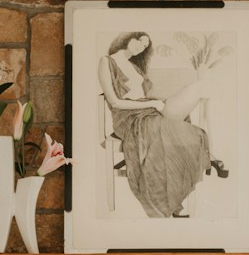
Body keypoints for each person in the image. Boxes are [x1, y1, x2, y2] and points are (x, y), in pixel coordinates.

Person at [98, 31, 229, 218]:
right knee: (202, 89)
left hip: (148, 111)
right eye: (139, 41)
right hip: (129, 118)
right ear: (128, 38)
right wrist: (151, 104)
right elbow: (115, 102)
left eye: (144, 46)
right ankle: (212, 157)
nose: (140, 47)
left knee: (204, 90)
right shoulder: (106, 61)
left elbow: (146, 94)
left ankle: (177, 197)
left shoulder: (134, 67)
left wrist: (155, 103)